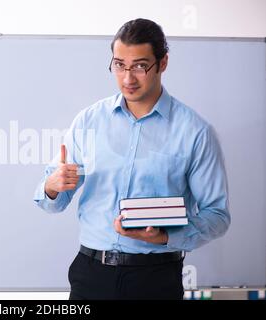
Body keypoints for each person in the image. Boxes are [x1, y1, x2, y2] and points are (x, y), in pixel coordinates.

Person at [33, 18, 230, 300]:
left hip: (156, 277)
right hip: (91, 275)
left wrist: (165, 236)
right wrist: (52, 186)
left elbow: (217, 215)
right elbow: (51, 201)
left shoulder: (195, 132)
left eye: (139, 66)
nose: (127, 78)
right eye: (119, 65)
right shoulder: (89, 121)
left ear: (162, 63)